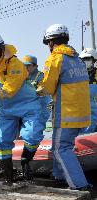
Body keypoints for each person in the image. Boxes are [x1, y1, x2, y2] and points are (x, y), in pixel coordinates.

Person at [0, 31, 45, 183]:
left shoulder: (16, 64)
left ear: (1, 48)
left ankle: (25, 162)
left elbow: (8, 90)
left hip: (27, 105)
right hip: (5, 109)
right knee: (2, 142)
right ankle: (8, 177)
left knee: (32, 136)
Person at [37, 24, 91, 190]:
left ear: (52, 42)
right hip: (81, 114)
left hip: (66, 113)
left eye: (48, 43)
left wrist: (36, 89)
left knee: (62, 149)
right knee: (58, 145)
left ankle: (79, 185)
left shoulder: (55, 59)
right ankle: (59, 176)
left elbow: (47, 87)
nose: (48, 47)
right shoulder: (78, 60)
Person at [22, 55, 52, 129]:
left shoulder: (41, 76)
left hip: (42, 107)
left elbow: (42, 90)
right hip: (28, 108)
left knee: (43, 127)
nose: (26, 68)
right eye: (24, 65)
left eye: (28, 65)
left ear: (36, 66)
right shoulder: (22, 76)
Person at [79, 48, 97, 133]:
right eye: (83, 59)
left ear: (93, 60)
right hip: (80, 111)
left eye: (88, 59)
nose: (85, 61)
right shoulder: (76, 74)